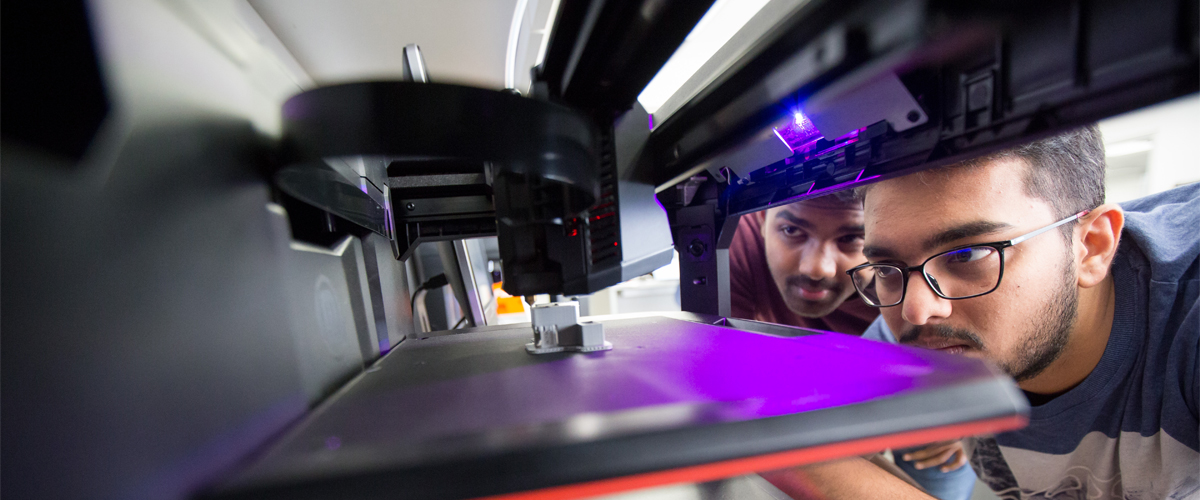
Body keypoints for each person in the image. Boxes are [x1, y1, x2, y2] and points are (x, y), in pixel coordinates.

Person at [764, 126, 1199, 499]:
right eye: (885, 268)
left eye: (968, 254)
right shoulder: (901, 328)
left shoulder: (1186, 326)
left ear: (1091, 247)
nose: (916, 311)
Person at [730, 190, 978, 500]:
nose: (816, 268)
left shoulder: (903, 282)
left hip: (910, 386)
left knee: (940, 453)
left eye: (850, 238)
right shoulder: (733, 243)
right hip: (791, 383)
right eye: (792, 231)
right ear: (763, 220)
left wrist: (972, 414)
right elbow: (731, 386)